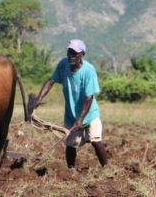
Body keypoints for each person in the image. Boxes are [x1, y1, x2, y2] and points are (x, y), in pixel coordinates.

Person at [28, 39, 108, 168]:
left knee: (96, 141)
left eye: (74, 53)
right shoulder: (63, 65)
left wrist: (81, 119)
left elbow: (89, 98)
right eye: (69, 52)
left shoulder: (88, 71)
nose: (71, 56)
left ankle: (107, 168)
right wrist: (38, 100)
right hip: (71, 115)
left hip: (90, 114)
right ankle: (70, 171)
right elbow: (50, 81)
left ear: (82, 55)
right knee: (70, 145)